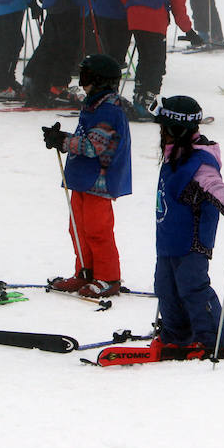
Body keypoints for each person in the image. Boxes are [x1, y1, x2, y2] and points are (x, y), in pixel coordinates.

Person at [151, 95, 224, 357]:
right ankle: (177, 336)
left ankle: (210, 340)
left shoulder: (199, 161)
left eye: (164, 129)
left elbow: (215, 186)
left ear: (176, 130)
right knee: (164, 287)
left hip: (192, 241)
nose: (162, 135)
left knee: (192, 286)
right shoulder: (177, 155)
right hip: (170, 240)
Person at [42, 55, 133, 298]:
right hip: (83, 178)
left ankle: (108, 277)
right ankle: (85, 271)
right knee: (77, 228)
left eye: (86, 78)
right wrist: (62, 139)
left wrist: (64, 142)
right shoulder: (93, 105)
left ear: (100, 81)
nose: (82, 84)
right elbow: (87, 140)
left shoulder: (108, 111)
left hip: (99, 180)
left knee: (97, 229)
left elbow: (94, 147)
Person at [116, 0, 204, 120]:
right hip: (155, 23)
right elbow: (179, 9)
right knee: (156, 64)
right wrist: (190, 32)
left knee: (144, 59)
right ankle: (146, 103)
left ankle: (138, 99)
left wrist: (133, 6)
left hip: (135, 20)